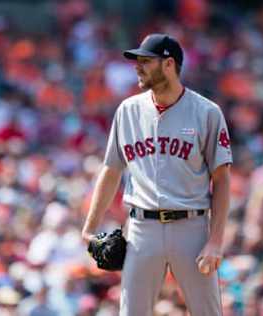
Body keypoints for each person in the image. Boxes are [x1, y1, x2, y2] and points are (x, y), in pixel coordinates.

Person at [81, 33, 232, 316]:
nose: (138, 67)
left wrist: (215, 241)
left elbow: (222, 181)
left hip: (192, 228)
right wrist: (90, 227)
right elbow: (111, 169)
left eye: (146, 61)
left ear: (168, 65)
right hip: (141, 229)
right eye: (137, 61)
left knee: (208, 312)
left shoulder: (207, 112)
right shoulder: (128, 110)